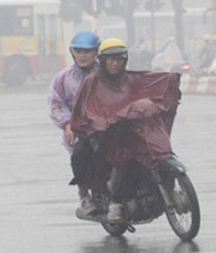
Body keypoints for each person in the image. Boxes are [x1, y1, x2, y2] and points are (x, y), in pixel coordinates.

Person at [71, 38, 181, 223]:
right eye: (110, 60)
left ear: (125, 61)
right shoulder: (91, 82)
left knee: (133, 154)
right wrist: (99, 122)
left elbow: (152, 83)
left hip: (127, 132)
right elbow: (82, 108)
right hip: (101, 134)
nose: (115, 64)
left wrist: (170, 81)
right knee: (82, 153)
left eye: (119, 59)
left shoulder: (131, 78)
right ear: (103, 61)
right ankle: (108, 201)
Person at [47, 31, 101, 218]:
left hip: (107, 127)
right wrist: (68, 124)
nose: (82, 55)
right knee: (79, 155)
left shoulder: (106, 72)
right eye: (78, 51)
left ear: (96, 53)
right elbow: (55, 104)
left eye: (87, 51)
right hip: (80, 130)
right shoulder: (64, 78)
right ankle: (84, 194)